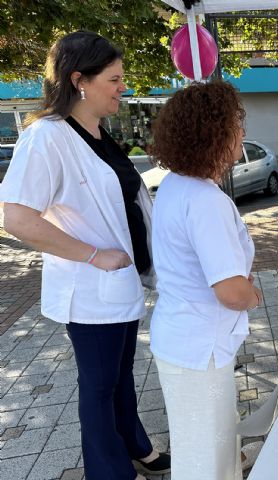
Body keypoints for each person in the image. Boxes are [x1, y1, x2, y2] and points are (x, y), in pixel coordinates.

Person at [0, 31, 168, 480]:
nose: (123, 87)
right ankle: (110, 472)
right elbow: (16, 217)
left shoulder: (99, 134)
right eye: (114, 79)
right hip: (91, 291)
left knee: (121, 377)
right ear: (80, 80)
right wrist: (93, 255)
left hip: (121, 286)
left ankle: (137, 447)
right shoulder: (47, 137)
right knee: (97, 387)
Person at [149, 80, 263, 480]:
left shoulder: (176, 185)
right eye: (236, 124)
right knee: (204, 459)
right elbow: (231, 291)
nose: (242, 134)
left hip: (184, 339)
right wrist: (253, 296)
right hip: (199, 346)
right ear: (213, 132)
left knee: (202, 443)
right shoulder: (205, 200)